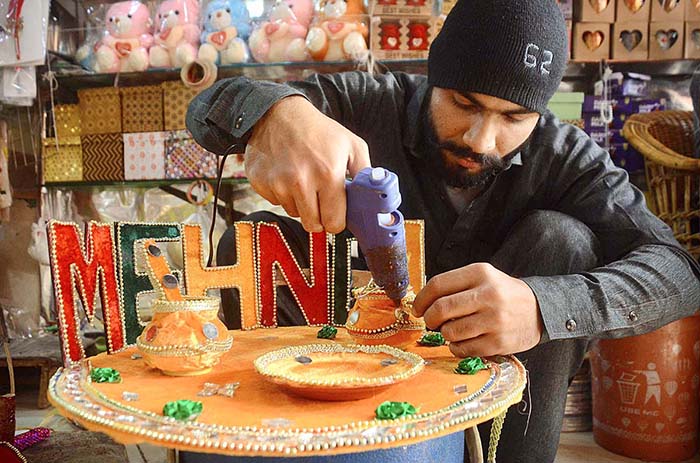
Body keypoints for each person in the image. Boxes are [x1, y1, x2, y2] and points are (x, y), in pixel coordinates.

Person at [186, 1, 700, 461]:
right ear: (433, 75)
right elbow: (206, 109)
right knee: (249, 239)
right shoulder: (364, 103)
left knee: (562, 239)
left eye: (514, 116)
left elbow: (679, 273)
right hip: (345, 365)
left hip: (498, 397)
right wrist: (278, 113)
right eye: (464, 103)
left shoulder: (566, 157)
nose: (482, 139)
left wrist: (544, 307)